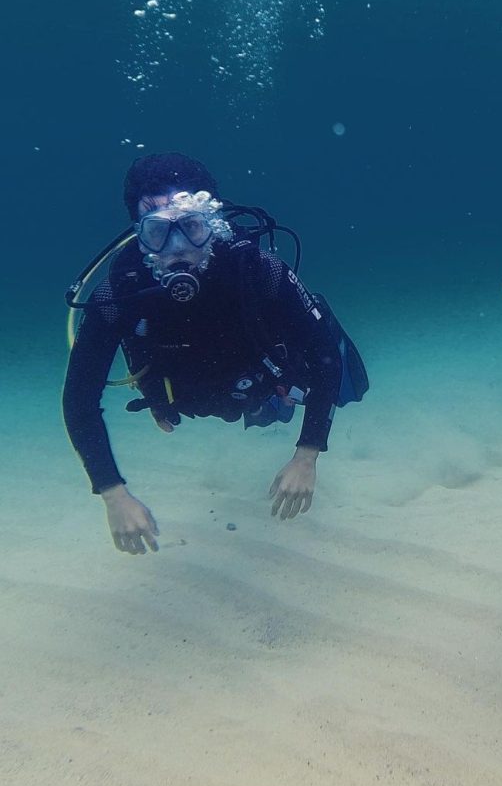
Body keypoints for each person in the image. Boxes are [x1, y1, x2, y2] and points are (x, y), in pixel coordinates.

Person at [63, 152, 367, 554]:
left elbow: (322, 353)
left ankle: (278, 400)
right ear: (138, 232)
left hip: (261, 384)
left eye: (191, 226)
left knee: (320, 360)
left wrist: (307, 455)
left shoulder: (256, 268)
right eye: (158, 231)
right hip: (184, 395)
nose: (177, 248)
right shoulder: (118, 291)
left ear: (213, 221)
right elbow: (79, 399)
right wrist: (113, 494)